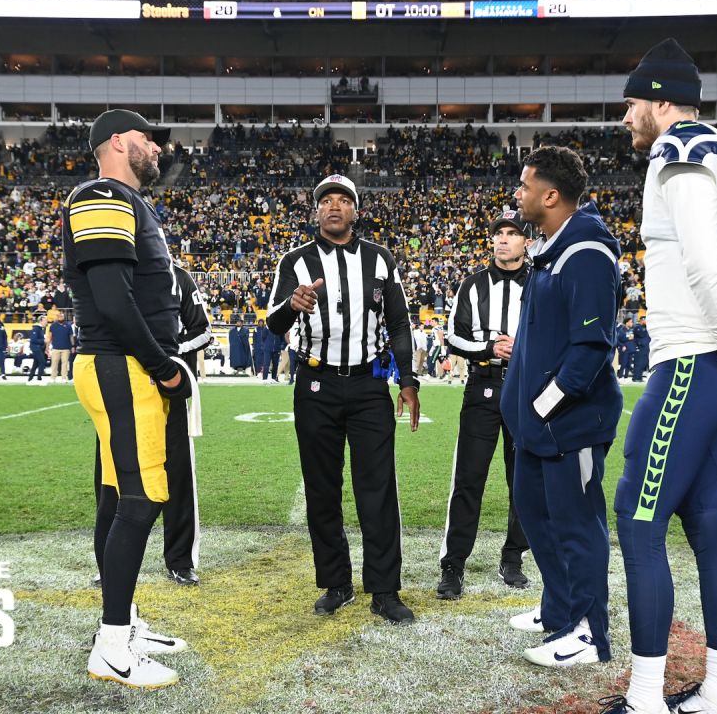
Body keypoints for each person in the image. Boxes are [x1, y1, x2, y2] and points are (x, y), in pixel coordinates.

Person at [606, 39, 717, 714]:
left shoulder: (677, 150)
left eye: (630, 104)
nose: (626, 118)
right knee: (709, 522)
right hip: (716, 363)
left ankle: (646, 698)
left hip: (693, 359)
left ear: (658, 99)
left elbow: (710, 266)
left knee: (637, 518)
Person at [67, 109, 190, 689]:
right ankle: (113, 643)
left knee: (119, 499)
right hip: (122, 366)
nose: (157, 149)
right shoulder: (101, 194)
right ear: (118, 142)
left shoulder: (126, 200)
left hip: (122, 364)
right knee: (140, 501)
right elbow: (113, 299)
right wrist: (164, 366)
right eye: (148, 139)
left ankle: (126, 622)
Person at [266, 174, 421, 625]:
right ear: (316, 211)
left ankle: (385, 589)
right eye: (326, 201)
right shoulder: (294, 262)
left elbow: (398, 323)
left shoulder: (379, 259)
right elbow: (273, 324)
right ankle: (336, 582)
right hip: (315, 385)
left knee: (377, 488)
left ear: (355, 210)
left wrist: (407, 380)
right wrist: (292, 305)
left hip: (370, 386)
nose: (334, 207)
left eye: (343, 200)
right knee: (321, 488)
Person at [499, 146, 623, 670]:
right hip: (536, 426)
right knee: (537, 516)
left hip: (568, 423)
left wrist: (545, 404)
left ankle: (590, 632)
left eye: (525, 186)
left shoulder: (588, 251)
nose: (518, 194)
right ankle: (559, 609)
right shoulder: (555, 246)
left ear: (550, 195)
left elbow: (590, 348)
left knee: (576, 524)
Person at [436, 208, 532, 600]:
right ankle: (453, 565)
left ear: (527, 240)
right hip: (483, 386)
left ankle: (513, 558)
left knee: (523, 481)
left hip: (526, 390)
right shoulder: (472, 286)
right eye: (498, 233)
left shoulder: (541, 283)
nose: (503, 239)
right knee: (468, 480)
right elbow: (453, 339)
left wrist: (522, 350)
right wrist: (488, 347)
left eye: (512, 233)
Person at [162, 263, 213, 585]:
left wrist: (167, 355)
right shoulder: (113, 274)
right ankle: (108, 555)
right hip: (121, 389)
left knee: (178, 475)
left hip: (169, 390)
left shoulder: (177, 276)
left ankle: (180, 559)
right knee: (113, 477)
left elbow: (203, 330)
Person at [48, 312, 75, 384]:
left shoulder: (68, 326)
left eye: (62, 316)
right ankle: (53, 377)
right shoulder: (53, 326)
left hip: (66, 348)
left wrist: (72, 346)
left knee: (65, 364)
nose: (60, 317)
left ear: (64, 317)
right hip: (55, 347)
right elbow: (50, 337)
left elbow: (71, 336)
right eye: (59, 316)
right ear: (57, 317)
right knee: (54, 363)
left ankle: (64, 378)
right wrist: (48, 347)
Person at [26, 316, 48, 385]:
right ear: (41, 321)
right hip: (36, 348)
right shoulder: (36, 328)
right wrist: (43, 340)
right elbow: (33, 339)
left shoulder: (40, 329)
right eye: (45, 320)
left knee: (35, 363)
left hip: (38, 348)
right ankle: (39, 378)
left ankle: (30, 378)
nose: (46, 322)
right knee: (42, 362)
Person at [632, 315, 651, 382]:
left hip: (646, 348)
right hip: (640, 348)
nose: (646, 322)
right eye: (645, 320)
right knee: (638, 363)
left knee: (643, 363)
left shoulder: (646, 328)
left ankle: (639, 377)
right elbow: (641, 335)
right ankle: (635, 377)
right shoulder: (638, 327)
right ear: (642, 320)